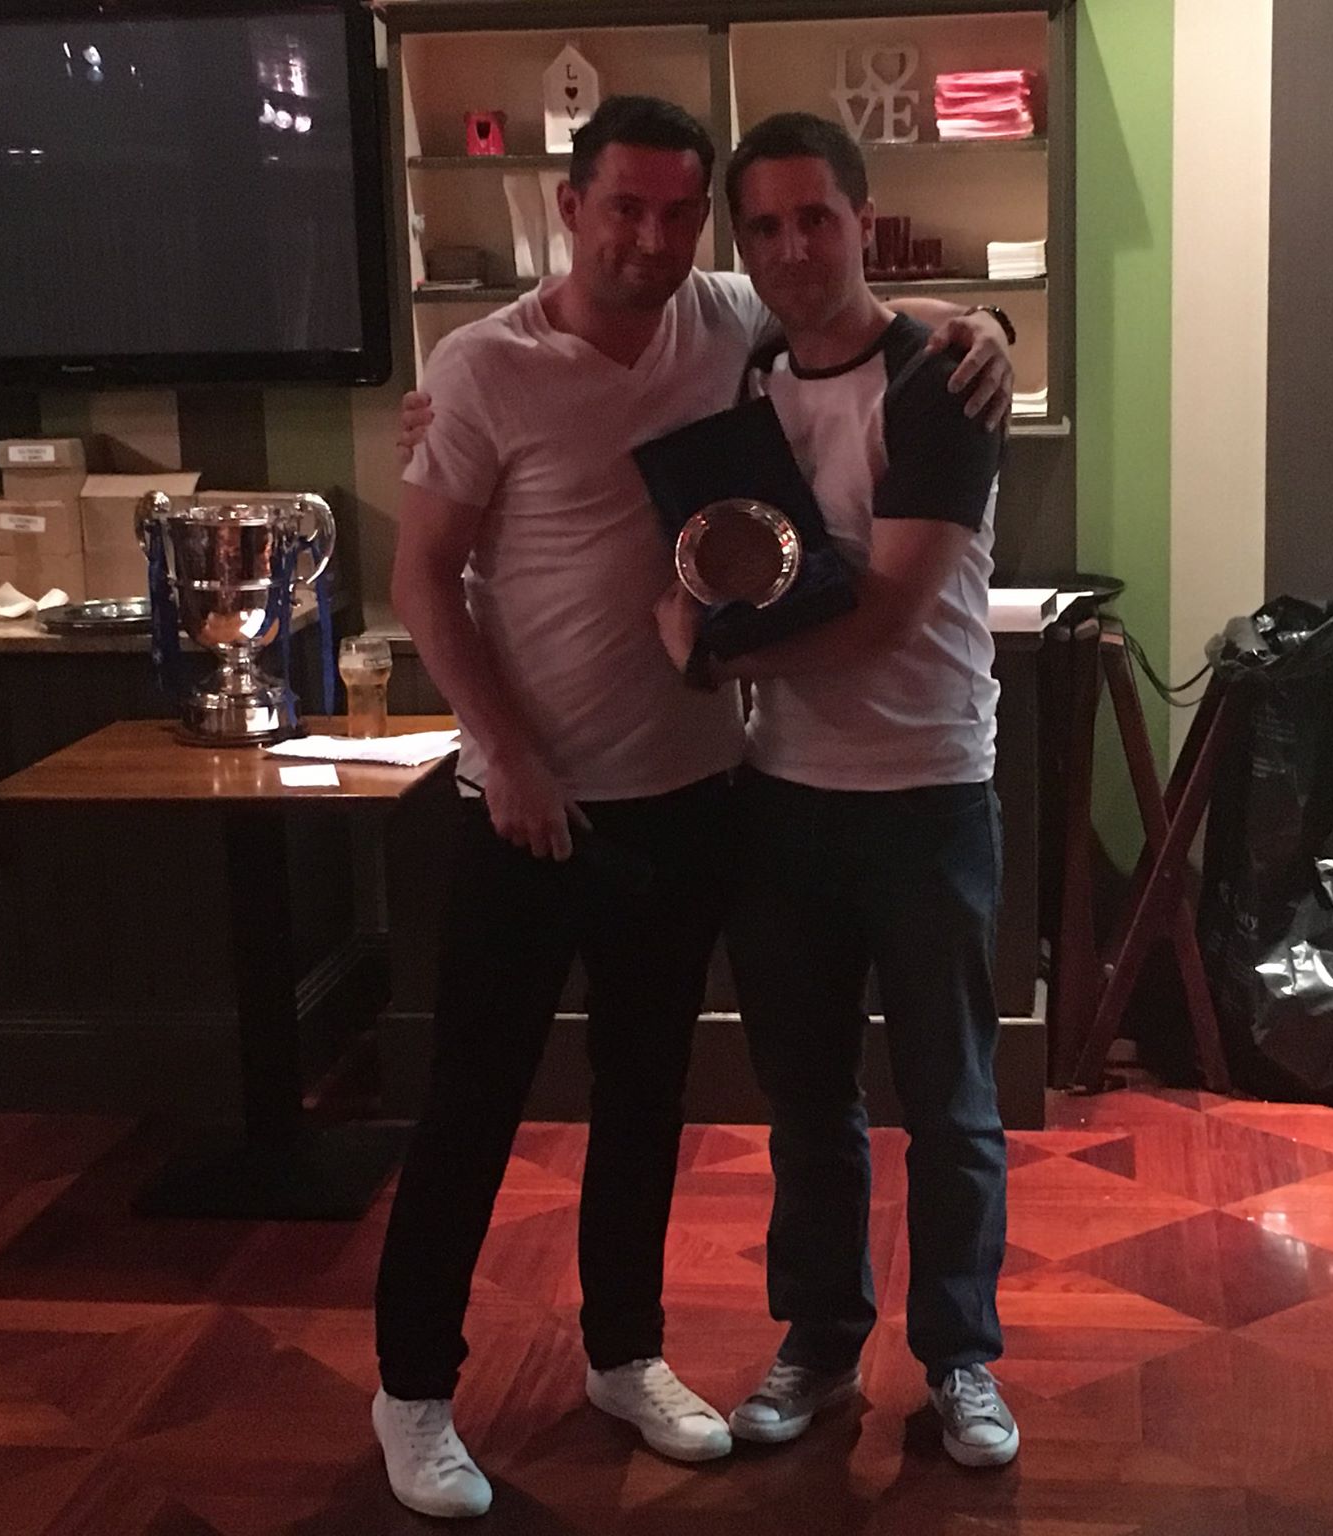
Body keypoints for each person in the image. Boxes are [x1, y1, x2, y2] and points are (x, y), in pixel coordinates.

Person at [376, 95, 1013, 1520]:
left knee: (646, 1104)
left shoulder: (727, 322)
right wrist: (505, 754)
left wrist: (981, 326)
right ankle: (412, 1390)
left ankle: (624, 1354)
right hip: (527, 802)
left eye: (681, 215)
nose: (655, 241)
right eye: (628, 208)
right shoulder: (482, 365)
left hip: (692, 799)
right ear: (571, 205)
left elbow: (852, 303)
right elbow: (422, 575)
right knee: (473, 1105)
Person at [653, 111, 1018, 1468]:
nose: (794, 247)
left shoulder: (942, 380)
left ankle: (961, 1361)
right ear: (743, 247)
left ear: (865, 219)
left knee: (952, 1106)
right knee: (807, 1105)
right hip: (783, 797)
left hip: (929, 794)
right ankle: (818, 1345)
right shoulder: (747, 375)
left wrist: (707, 654)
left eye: (818, 217)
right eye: (765, 226)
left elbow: (884, 612)